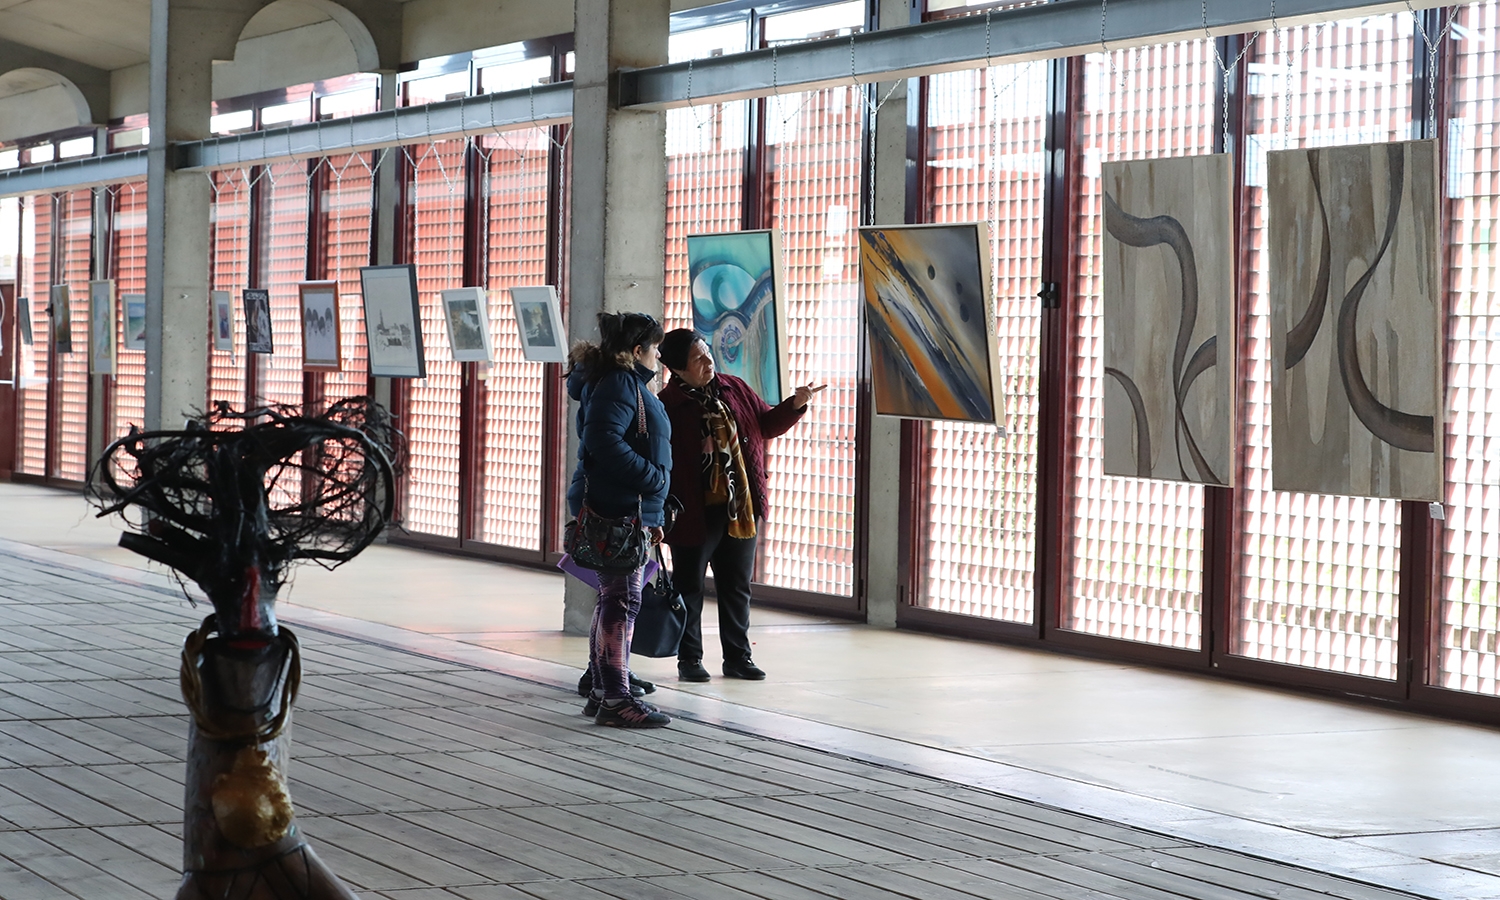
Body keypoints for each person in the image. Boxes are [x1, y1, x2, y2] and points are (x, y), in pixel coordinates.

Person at [657, 328, 826, 682]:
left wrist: (795, 405)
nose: (708, 362)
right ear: (677, 368)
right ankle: (690, 659)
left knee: (736, 586)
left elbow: (764, 424)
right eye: (698, 359)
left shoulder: (734, 388)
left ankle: (738, 657)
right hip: (693, 511)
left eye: (707, 354)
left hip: (739, 505)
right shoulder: (667, 405)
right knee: (689, 587)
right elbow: (662, 459)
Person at [567, 312, 672, 728]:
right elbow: (603, 440)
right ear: (636, 351)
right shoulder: (619, 383)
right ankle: (615, 697)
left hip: (627, 504)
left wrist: (656, 504)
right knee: (623, 599)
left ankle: (602, 688)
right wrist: (653, 480)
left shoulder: (617, 382)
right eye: (655, 349)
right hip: (619, 505)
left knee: (614, 597)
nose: (658, 357)